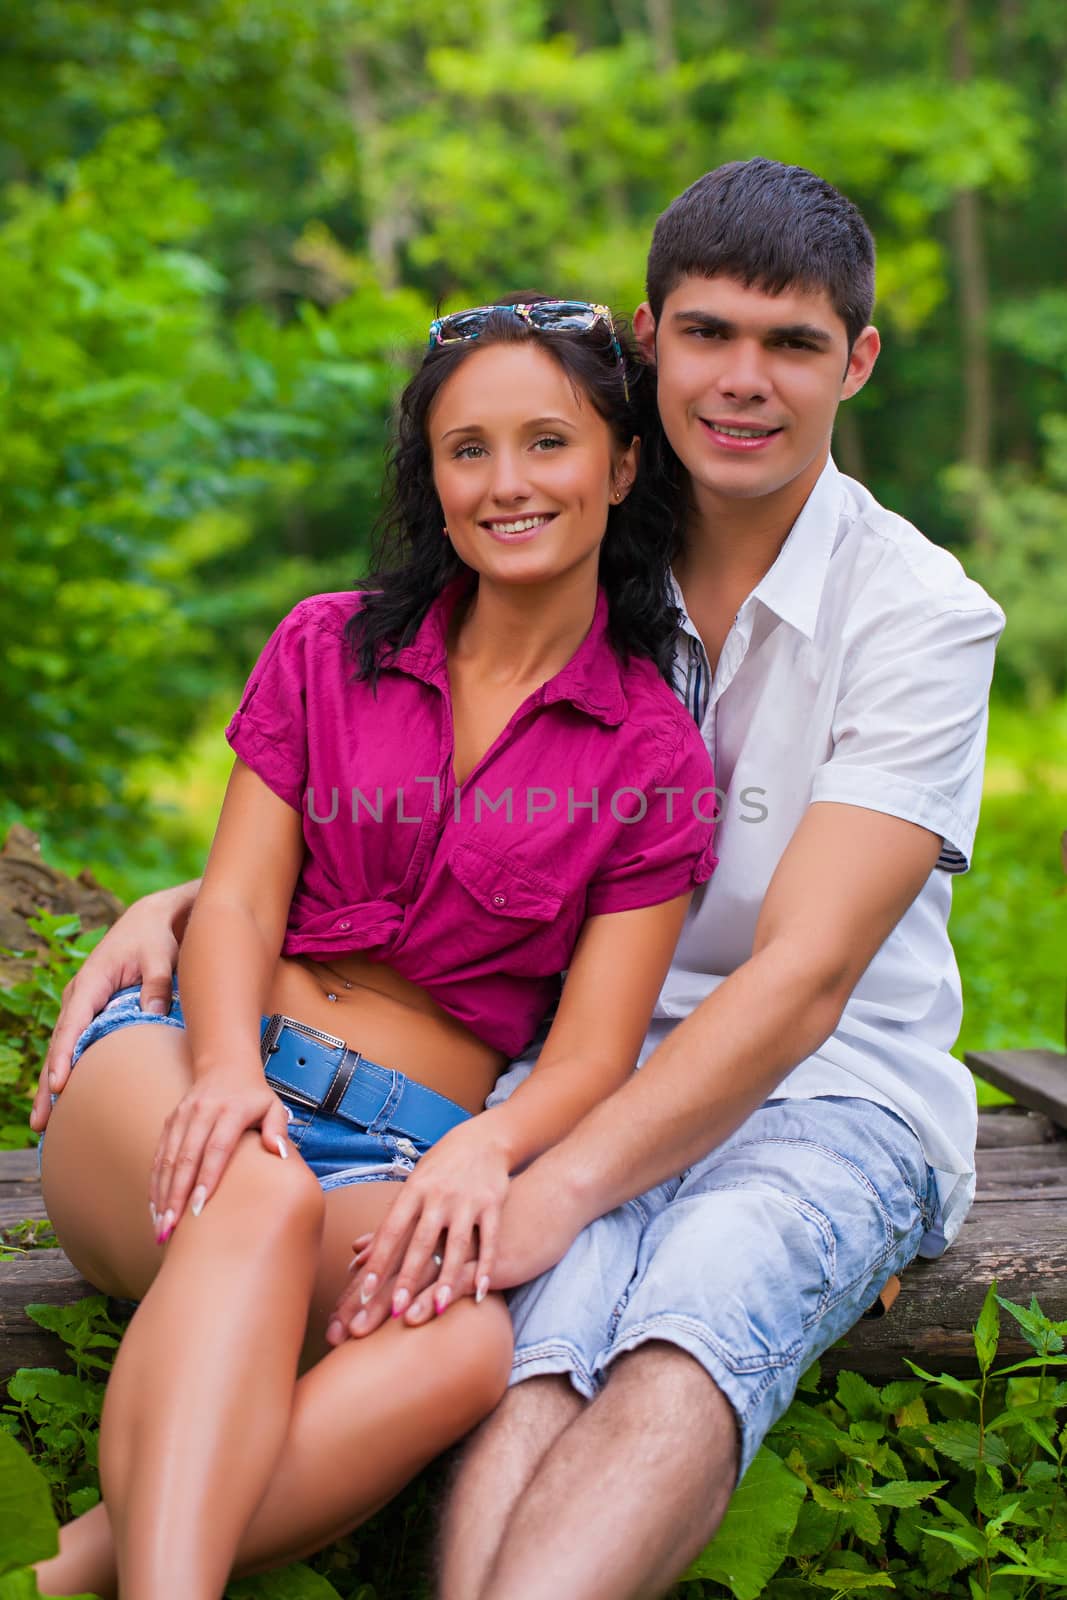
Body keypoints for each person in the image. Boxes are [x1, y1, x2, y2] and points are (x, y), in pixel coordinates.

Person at [324, 158, 1007, 1600]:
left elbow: (807, 981)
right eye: (708, 334)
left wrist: (565, 1181)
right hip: (582, 1059)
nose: (744, 380)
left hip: (834, 1096)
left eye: (793, 343)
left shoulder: (920, 616)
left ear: (858, 361)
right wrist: (188, 907)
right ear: (649, 339)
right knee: (536, 1347)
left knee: (698, 1316)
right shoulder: (575, 559)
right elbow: (371, 795)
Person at [27, 295, 718, 1599]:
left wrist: (483, 1148)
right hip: (183, 1070)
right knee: (256, 1188)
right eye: (468, 450)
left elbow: (588, 1057)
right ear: (433, 480)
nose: (507, 483)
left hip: (391, 1155)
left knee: (460, 1352)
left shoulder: (652, 755)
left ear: (623, 466)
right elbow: (230, 905)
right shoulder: (325, 648)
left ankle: (68, 1575)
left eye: (547, 443)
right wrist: (229, 1073)